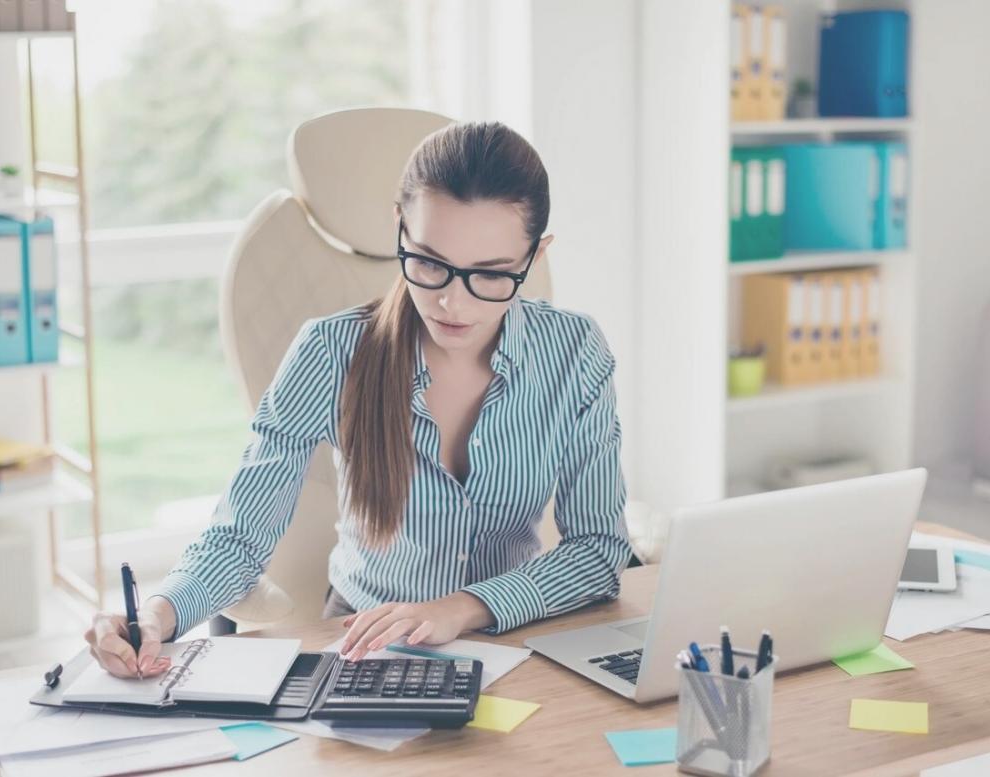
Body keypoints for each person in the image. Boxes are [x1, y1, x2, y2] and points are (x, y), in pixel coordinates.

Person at [84, 121, 632, 678]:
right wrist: (158, 613)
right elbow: (240, 535)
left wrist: (460, 610)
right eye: (429, 262)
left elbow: (598, 549)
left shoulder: (573, 351)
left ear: (535, 257)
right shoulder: (330, 351)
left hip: (514, 638)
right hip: (363, 644)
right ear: (399, 227)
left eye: (490, 276)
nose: (450, 302)